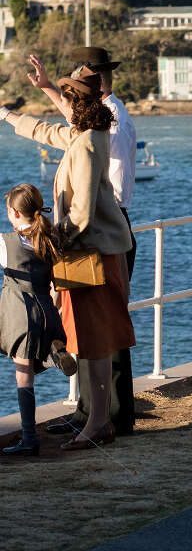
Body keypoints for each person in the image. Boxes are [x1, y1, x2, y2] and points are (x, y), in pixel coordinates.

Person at [0, 65, 135, 450]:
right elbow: (46, 131)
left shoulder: (91, 142)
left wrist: (50, 240)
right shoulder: (82, 135)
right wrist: (7, 115)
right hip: (89, 253)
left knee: (97, 340)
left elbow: (84, 213)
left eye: (69, 98)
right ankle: (95, 420)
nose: (65, 105)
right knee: (91, 340)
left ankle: (98, 423)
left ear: (80, 103)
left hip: (96, 254)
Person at [0, 184, 77, 457]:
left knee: (24, 378)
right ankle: (52, 352)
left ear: (13, 212)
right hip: (48, 313)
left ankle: (29, 439)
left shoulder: (6, 242)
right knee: (33, 359)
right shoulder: (50, 238)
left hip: (21, 318)